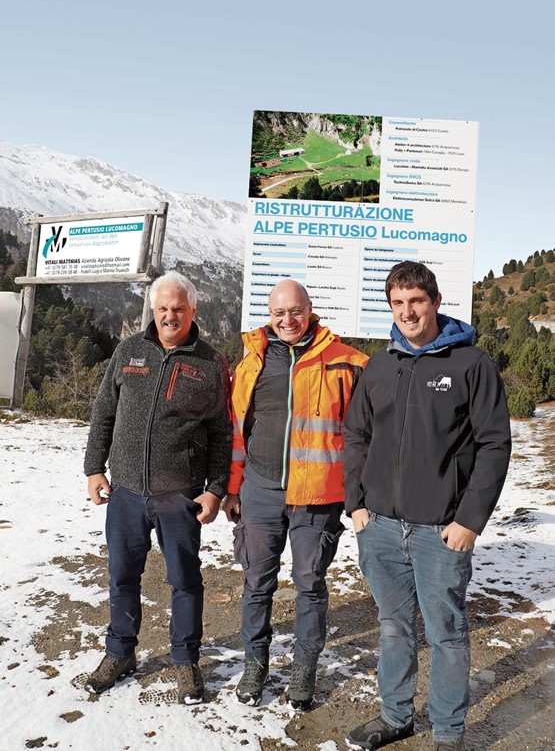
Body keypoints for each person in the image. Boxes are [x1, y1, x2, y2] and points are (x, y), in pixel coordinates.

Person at [343, 261, 511, 751]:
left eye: (416, 301)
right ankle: (395, 717)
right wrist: (356, 505)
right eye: (397, 303)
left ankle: (446, 733)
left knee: (446, 633)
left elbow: (494, 444)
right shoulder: (379, 364)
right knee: (394, 627)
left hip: (441, 530)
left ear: (435, 302)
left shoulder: (470, 363)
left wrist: (468, 521)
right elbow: (356, 435)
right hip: (379, 526)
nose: (407, 311)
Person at [83, 271, 232, 704]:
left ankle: (185, 661)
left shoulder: (210, 362)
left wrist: (216, 489)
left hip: (179, 495)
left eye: (179, 309)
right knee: (121, 575)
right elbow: (103, 413)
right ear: (153, 309)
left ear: (193, 310)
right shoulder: (129, 351)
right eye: (163, 308)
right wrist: (95, 468)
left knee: (184, 580)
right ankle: (120, 652)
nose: (170, 316)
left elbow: (222, 433)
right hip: (126, 491)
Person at [223, 279, 368, 709]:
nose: (288, 321)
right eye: (279, 313)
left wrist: (358, 496)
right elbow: (236, 432)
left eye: (296, 311)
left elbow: (366, 437)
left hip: (318, 497)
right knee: (256, 584)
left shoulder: (348, 362)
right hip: (259, 492)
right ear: (270, 315)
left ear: (311, 310)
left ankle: (303, 671)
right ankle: (256, 665)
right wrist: (233, 489)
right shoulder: (251, 363)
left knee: (310, 586)